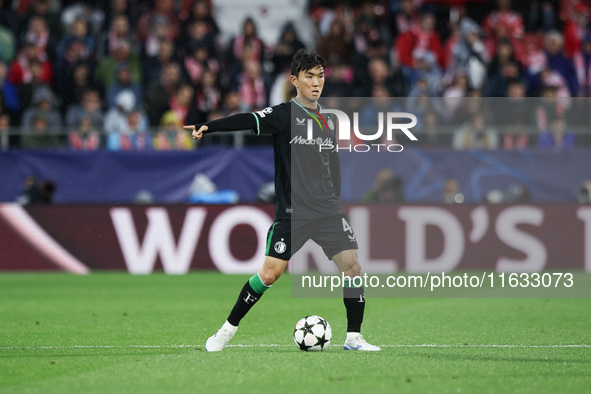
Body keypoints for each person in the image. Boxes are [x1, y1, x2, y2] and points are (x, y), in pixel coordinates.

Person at [184, 49, 381, 352]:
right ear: (294, 80)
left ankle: (354, 337)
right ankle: (225, 331)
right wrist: (211, 126)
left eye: (320, 76)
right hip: (293, 213)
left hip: (327, 211)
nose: (317, 82)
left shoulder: (329, 120)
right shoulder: (283, 115)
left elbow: (333, 163)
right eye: (309, 77)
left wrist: (334, 200)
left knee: (352, 267)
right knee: (269, 274)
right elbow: (248, 119)